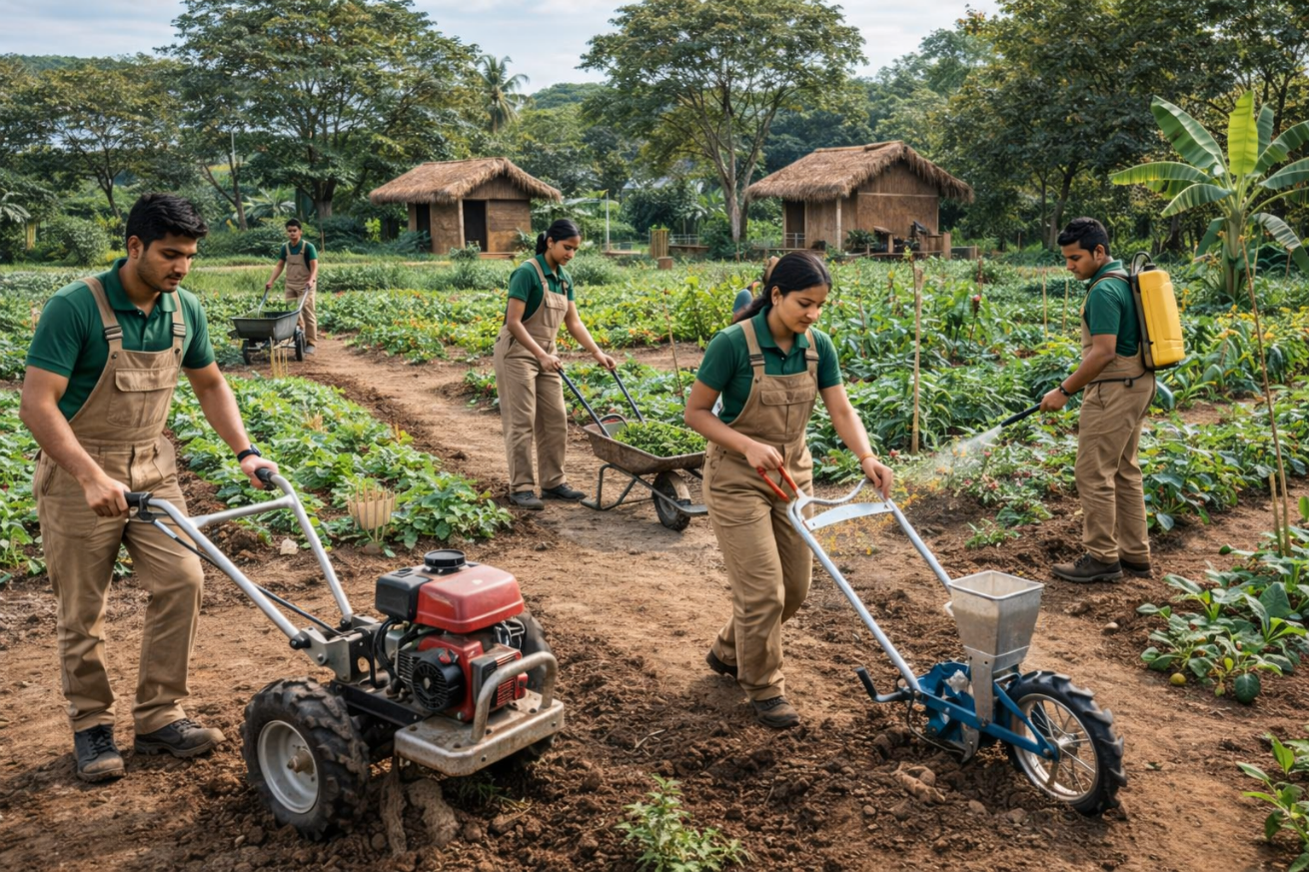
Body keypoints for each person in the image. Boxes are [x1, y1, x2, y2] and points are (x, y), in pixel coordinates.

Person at [20, 193, 280, 783]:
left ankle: (160, 714)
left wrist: (245, 452)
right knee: (83, 609)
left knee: (183, 580)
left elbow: (212, 384)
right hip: (78, 474)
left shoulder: (184, 309)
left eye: (188, 256)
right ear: (134, 246)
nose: (181, 267)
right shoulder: (75, 308)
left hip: (153, 469)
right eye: (170, 254)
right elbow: (36, 405)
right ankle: (91, 727)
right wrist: (89, 475)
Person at [684, 251, 893, 729]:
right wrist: (746, 445)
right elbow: (695, 413)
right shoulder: (731, 344)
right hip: (737, 479)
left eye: (821, 305)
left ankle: (728, 649)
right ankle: (763, 687)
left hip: (791, 479)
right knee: (764, 594)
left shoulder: (818, 345)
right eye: (805, 303)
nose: (813, 315)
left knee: (794, 591)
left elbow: (841, 410)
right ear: (775, 295)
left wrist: (867, 456)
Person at [1039, 217, 1154, 583]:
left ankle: (1102, 557)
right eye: (1067, 259)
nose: (1070, 266)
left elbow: (1102, 353)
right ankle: (1135, 555)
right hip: (1138, 382)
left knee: (1093, 472)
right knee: (1124, 470)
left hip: (1114, 388)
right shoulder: (1124, 280)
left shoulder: (1104, 290)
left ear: (1099, 251)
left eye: (1075, 258)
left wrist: (1063, 391)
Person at [493, 219, 616, 510]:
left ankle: (552, 483)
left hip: (548, 354)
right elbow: (513, 323)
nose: (571, 254)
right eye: (567, 247)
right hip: (517, 351)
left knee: (556, 419)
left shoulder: (563, 279)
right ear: (550, 242)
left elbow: (573, 322)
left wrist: (597, 352)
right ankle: (521, 487)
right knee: (521, 421)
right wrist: (541, 355)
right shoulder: (527, 272)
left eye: (575, 250)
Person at [264, 218, 319, 354]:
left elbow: (314, 266)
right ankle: (299, 337)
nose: (292, 233)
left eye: (294, 231)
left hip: (305, 285)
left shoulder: (308, 247)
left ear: (300, 232)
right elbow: (280, 265)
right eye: (289, 231)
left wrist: (311, 279)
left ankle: (311, 342)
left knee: (306, 310)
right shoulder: (285, 247)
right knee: (292, 313)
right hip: (290, 285)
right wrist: (271, 280)